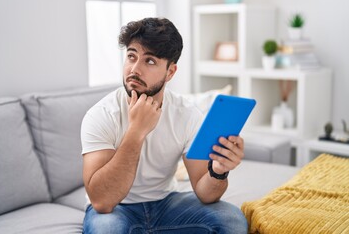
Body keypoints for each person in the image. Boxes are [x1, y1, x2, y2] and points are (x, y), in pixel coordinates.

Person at [81, 17, 248, 234]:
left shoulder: (187, 114)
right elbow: (102, 202)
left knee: (232, 220)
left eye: (149, 61)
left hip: (167, 203)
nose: (135, 69)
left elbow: (206, 194)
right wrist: (136, 131)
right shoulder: (100, 115)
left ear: (170, 72)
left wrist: (218, 171)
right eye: (131, 56)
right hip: (116, 209)